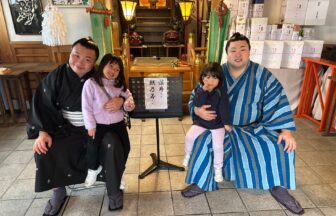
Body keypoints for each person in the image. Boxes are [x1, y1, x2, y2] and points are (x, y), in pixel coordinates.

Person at [181, 33, 304, 215]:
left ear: (249, 51)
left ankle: (278, 185)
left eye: (242, 49)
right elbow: (195, 95)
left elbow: (278, 99)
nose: (238, 54)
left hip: (254, 128)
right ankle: (202, 181)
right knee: (202, 141)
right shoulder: (216, 73)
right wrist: (197, 110)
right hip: (220, 126)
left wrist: (286, 131)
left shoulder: (262, 75)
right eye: (233, 50)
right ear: (227, 53)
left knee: (281, 145)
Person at [27, 37, 133, 215]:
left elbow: (123, 90)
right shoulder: (56, 77)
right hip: (66, 128)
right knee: (45, 148)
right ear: (70, 53)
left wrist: (121, 101)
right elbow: (43, 105)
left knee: (113, 144)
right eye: (76, 55)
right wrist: (43, 132)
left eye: (88, 59)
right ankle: (58, 191)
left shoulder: (102, 76)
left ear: (95, 64)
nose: (80, 62)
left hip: (99, 127)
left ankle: (114, 190)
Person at [82, 54, 135, 187]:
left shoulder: (119, 85)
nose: (113, 71)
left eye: (117, 70)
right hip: (99, 125)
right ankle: (93, 170)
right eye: (111, 66)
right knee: (92, 147)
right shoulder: (91, 83)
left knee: (126, 147)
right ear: (102, 64)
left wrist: (128, 104)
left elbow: (129, 97)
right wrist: (90, 126)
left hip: (118, 123)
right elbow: (86, 107)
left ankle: (120, 173)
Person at [183, 62, 231, 183]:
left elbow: (224, 108)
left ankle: (218, 169)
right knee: (189, 136)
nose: (211, 80)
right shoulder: (200, 89)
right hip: (201, 123)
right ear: (203, 78)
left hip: (217, 125)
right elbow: (197, 103)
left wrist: (226, 123)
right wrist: (203, 90)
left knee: (218, 146)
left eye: (214, 77)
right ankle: (188, 155)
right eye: (207, 77)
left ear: (219, 80)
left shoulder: (221, 91)